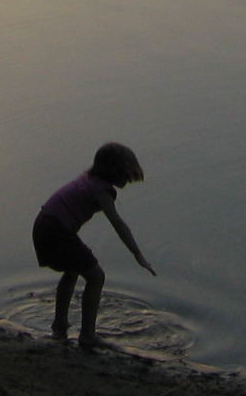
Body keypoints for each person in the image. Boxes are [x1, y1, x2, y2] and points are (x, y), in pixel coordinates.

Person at [31, 141, 155, 350]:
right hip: (56, 231)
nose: (128, 179)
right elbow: (118, 223)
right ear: (114, 171)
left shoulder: (88, 179)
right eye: (126, 173)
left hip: (43, 224)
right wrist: (138, 255)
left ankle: (59, 324)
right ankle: (88, 335)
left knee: (71, 271)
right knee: (96, 276)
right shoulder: (101, 190)